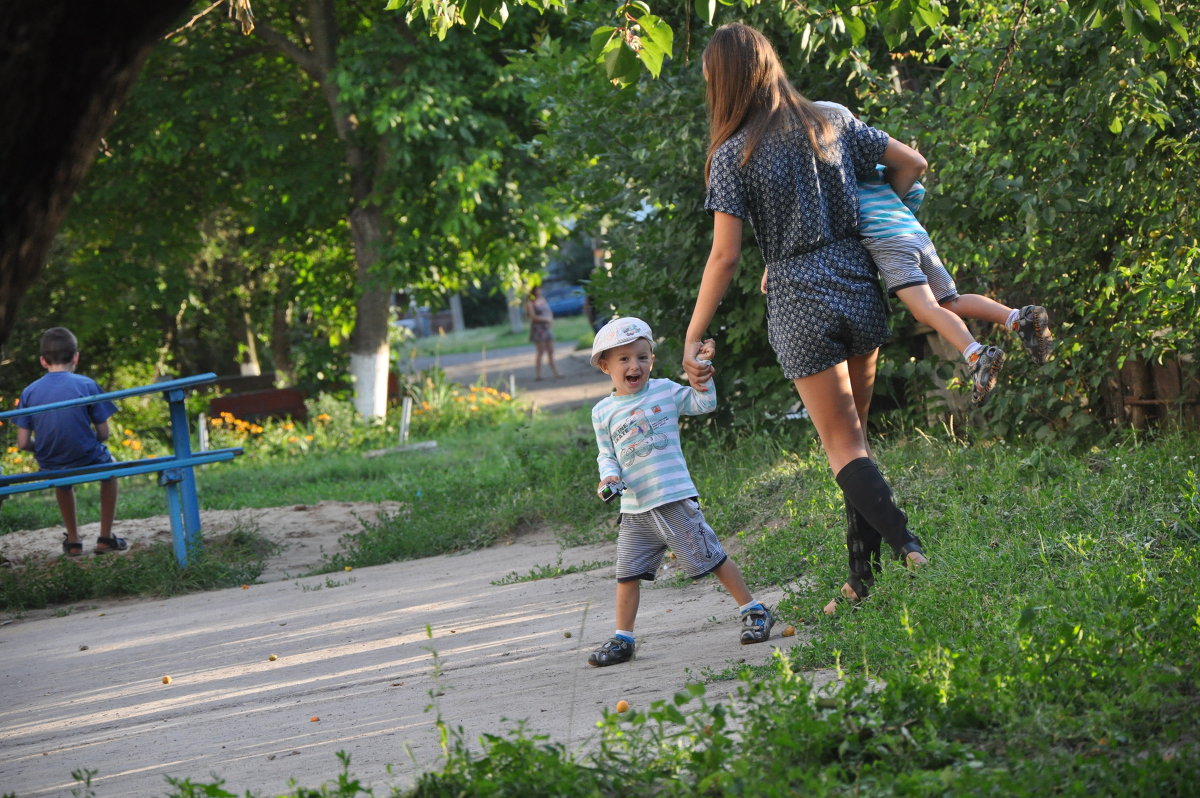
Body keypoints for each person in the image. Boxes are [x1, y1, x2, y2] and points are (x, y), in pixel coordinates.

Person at [683, 23, 929, 615]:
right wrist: (878, 222)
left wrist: (693, 334)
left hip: (799, 300)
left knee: (842, 446)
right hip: (857, 284)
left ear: (723, 81)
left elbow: (725, 255)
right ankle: (859, 581)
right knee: (856, 444)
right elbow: (912, 164)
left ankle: (909, 546)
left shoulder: (732, 152)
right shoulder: (832, 119)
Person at [587, 316, 774, 667]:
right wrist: (608, 478)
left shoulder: (665, 391)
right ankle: (623, 638)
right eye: (624, 359)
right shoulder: (602, 412)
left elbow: (703, 404)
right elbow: (606, 454)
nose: (634, 365)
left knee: (712, 557)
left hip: (673, 499)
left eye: (642, 356)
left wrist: (701, 370)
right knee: (627, 575)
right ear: (604, 366)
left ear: (652, 360)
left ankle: (755, 610)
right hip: (634, 508)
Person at [15, 327, 126, 556]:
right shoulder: (86, 385)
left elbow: (23, 443)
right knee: (110, 470)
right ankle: (105, 538)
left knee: (61, 478)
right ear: (76, 356)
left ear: (43, 361)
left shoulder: (29, 392)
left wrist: (44, 447)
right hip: (86, 456)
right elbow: (104, 433)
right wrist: (84, 441)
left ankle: (74, 541)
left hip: (51, 462)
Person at [524, 286, 562, 380]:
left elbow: (549, 312)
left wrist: (550, 320)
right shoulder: (529, 302)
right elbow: (533, 316)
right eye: (537, 289)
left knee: (550, 350)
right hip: (538, 329)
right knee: (540, 351)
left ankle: (555, 371)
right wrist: (546, 319)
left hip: (546, 327)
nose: (540, 290)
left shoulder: (542, 300)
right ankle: (538, 374)